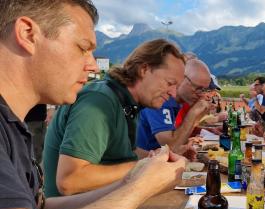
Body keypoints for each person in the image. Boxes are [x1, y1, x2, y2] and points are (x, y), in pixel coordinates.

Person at [0, 1, 186, 209]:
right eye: (83, 48)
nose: (91, 65)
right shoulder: (99, 100)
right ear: (28, 34)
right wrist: (140, 184)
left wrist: (137, 179)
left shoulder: (14, 126)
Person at [43, 38, 186, 197]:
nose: (173, 93)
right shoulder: (99, 101)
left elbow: (122, 153)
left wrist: (163, 159)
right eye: (169, 83)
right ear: (144, 69)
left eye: (176, 87)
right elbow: (69, 181)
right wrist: (145, 166)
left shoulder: (127, 102)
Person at [136, 59, 216, 151]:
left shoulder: (179, 102)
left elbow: (179, 138)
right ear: (182, 79)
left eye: (204, 90)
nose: (201, 95)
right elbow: (171, 147)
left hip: (158, 160)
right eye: (198, 88)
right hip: (143, 162)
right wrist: (193, 113)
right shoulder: (162, 99)